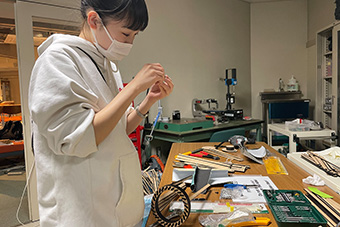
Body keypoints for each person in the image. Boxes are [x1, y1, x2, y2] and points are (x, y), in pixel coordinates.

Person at [28, 0, 173, 226]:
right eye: (126, 33)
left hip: (111, 202)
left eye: (135, 35)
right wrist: (134, 86)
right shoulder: (57, 60)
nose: (130, 43)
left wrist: (146, 102)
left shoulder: (105, 64)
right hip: (80, 210)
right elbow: (78, 138)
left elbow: (117, 128)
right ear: (94, 20)